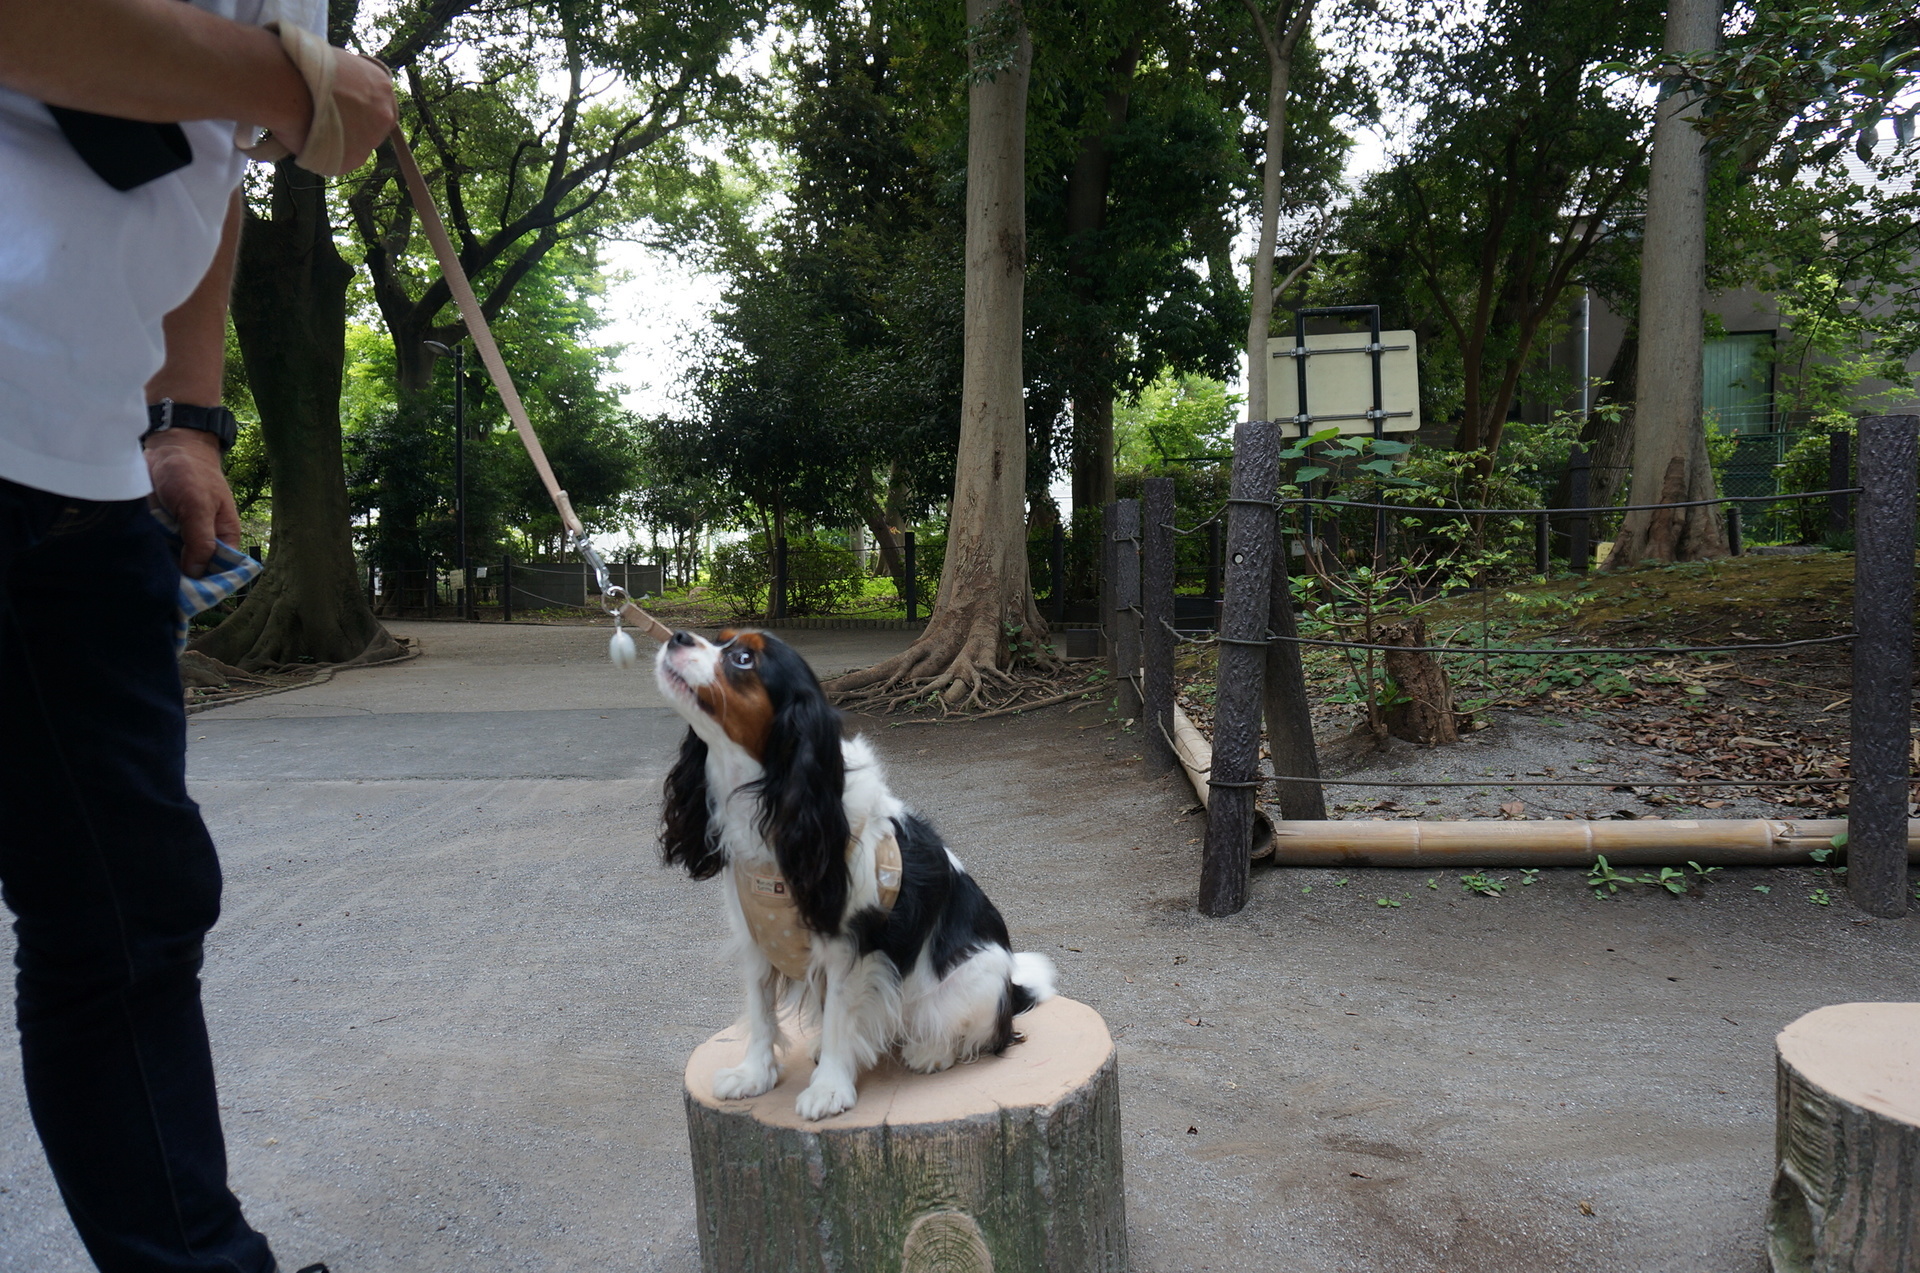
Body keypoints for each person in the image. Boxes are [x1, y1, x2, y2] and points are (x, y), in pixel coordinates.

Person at [0, 3, 395, 1269]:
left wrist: (188, 414)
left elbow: (209, 154)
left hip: (85, 455)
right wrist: (296, 89)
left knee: (132, 910)